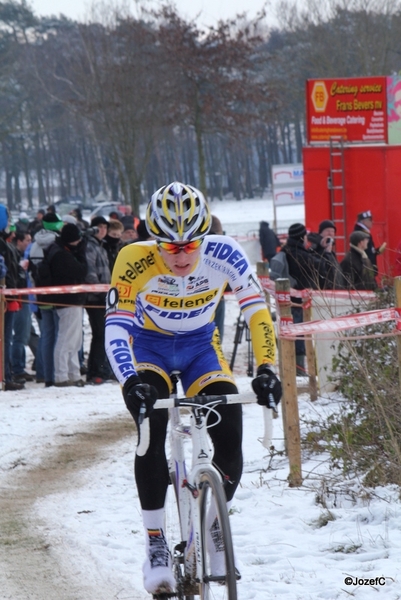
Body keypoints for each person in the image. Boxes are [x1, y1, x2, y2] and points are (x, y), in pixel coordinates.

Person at [105, 181, 281, 596]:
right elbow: (115, 327)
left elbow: (257, 311)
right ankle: (155, 544)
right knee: (150, 430)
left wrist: (267, 367)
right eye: (170, 247)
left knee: (231, 427)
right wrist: (130, 381)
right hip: (148, 347)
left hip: (202, 346)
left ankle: (214, 527)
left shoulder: (225, 253)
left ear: (205, 237)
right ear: (154, 239)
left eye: (190, 245)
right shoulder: (133, 258)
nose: (181, 255)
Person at [272, 222, 327, 375]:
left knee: (290, 334)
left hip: (287, 300)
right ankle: (299, 369)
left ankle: (291, 367)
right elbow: (322, 267)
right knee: (300, 335)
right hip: (299, 302)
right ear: (302, 237)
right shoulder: (300, 254)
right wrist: (320, 249)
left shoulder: (287, 250)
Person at [47, 224, 87, 386]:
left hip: (73, 300)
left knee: (75, 340)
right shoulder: (61, 255)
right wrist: (82, 253)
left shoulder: (62, 251)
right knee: (65, 340)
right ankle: (61, 375)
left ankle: (73, 373)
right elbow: (80, 271)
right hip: (68, 301)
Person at [28, 213, 64, 387]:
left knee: (46, 336)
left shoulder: (34, 244)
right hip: (57, 295)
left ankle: (44, 374)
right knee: (58, 335)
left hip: (40, 295)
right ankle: (56, 374)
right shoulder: (57, 243)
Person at [85, 216, 112, 384]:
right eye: (99, 227)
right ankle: (95, 372)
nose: (103, 230)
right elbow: (90, 272)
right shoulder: (90, 246)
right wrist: (101, 292)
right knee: (100, 334)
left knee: (101, 335)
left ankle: (99, 371)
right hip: (95, 297)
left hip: (104, 296)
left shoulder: (101, 247)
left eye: (105, 227)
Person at [0, 205, 25, 390]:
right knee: (5, 338)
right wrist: (12, 295)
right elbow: (8, 273)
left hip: (8, 295)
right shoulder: (4, 246)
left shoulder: (6, 244)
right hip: (5, 297)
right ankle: (6, 376)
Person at [11, 231, 34, 383]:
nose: (29, 243)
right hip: (18, 299)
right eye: (26, 240)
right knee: (20, 336)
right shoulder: (13, 255)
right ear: (18, 241)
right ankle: (17, 369)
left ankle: (20, 367)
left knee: (26, 335)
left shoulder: (25, 255)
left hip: (25, 299)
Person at [307, 219, 344, 289]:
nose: (330, 233)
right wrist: (326, 253)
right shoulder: (314, 248)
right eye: (327, 231)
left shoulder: (331, 252)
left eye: (332, 231)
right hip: (323, 289)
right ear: (321, 233)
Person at [353, 210, 386, 275]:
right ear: (363, 221)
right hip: (365, 271)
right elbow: (362, 253)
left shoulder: (363, 232)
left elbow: (368, 251)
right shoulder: (361, 234)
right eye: (370, 220)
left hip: (368, 270)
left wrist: (377, 251)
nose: (372, 222)